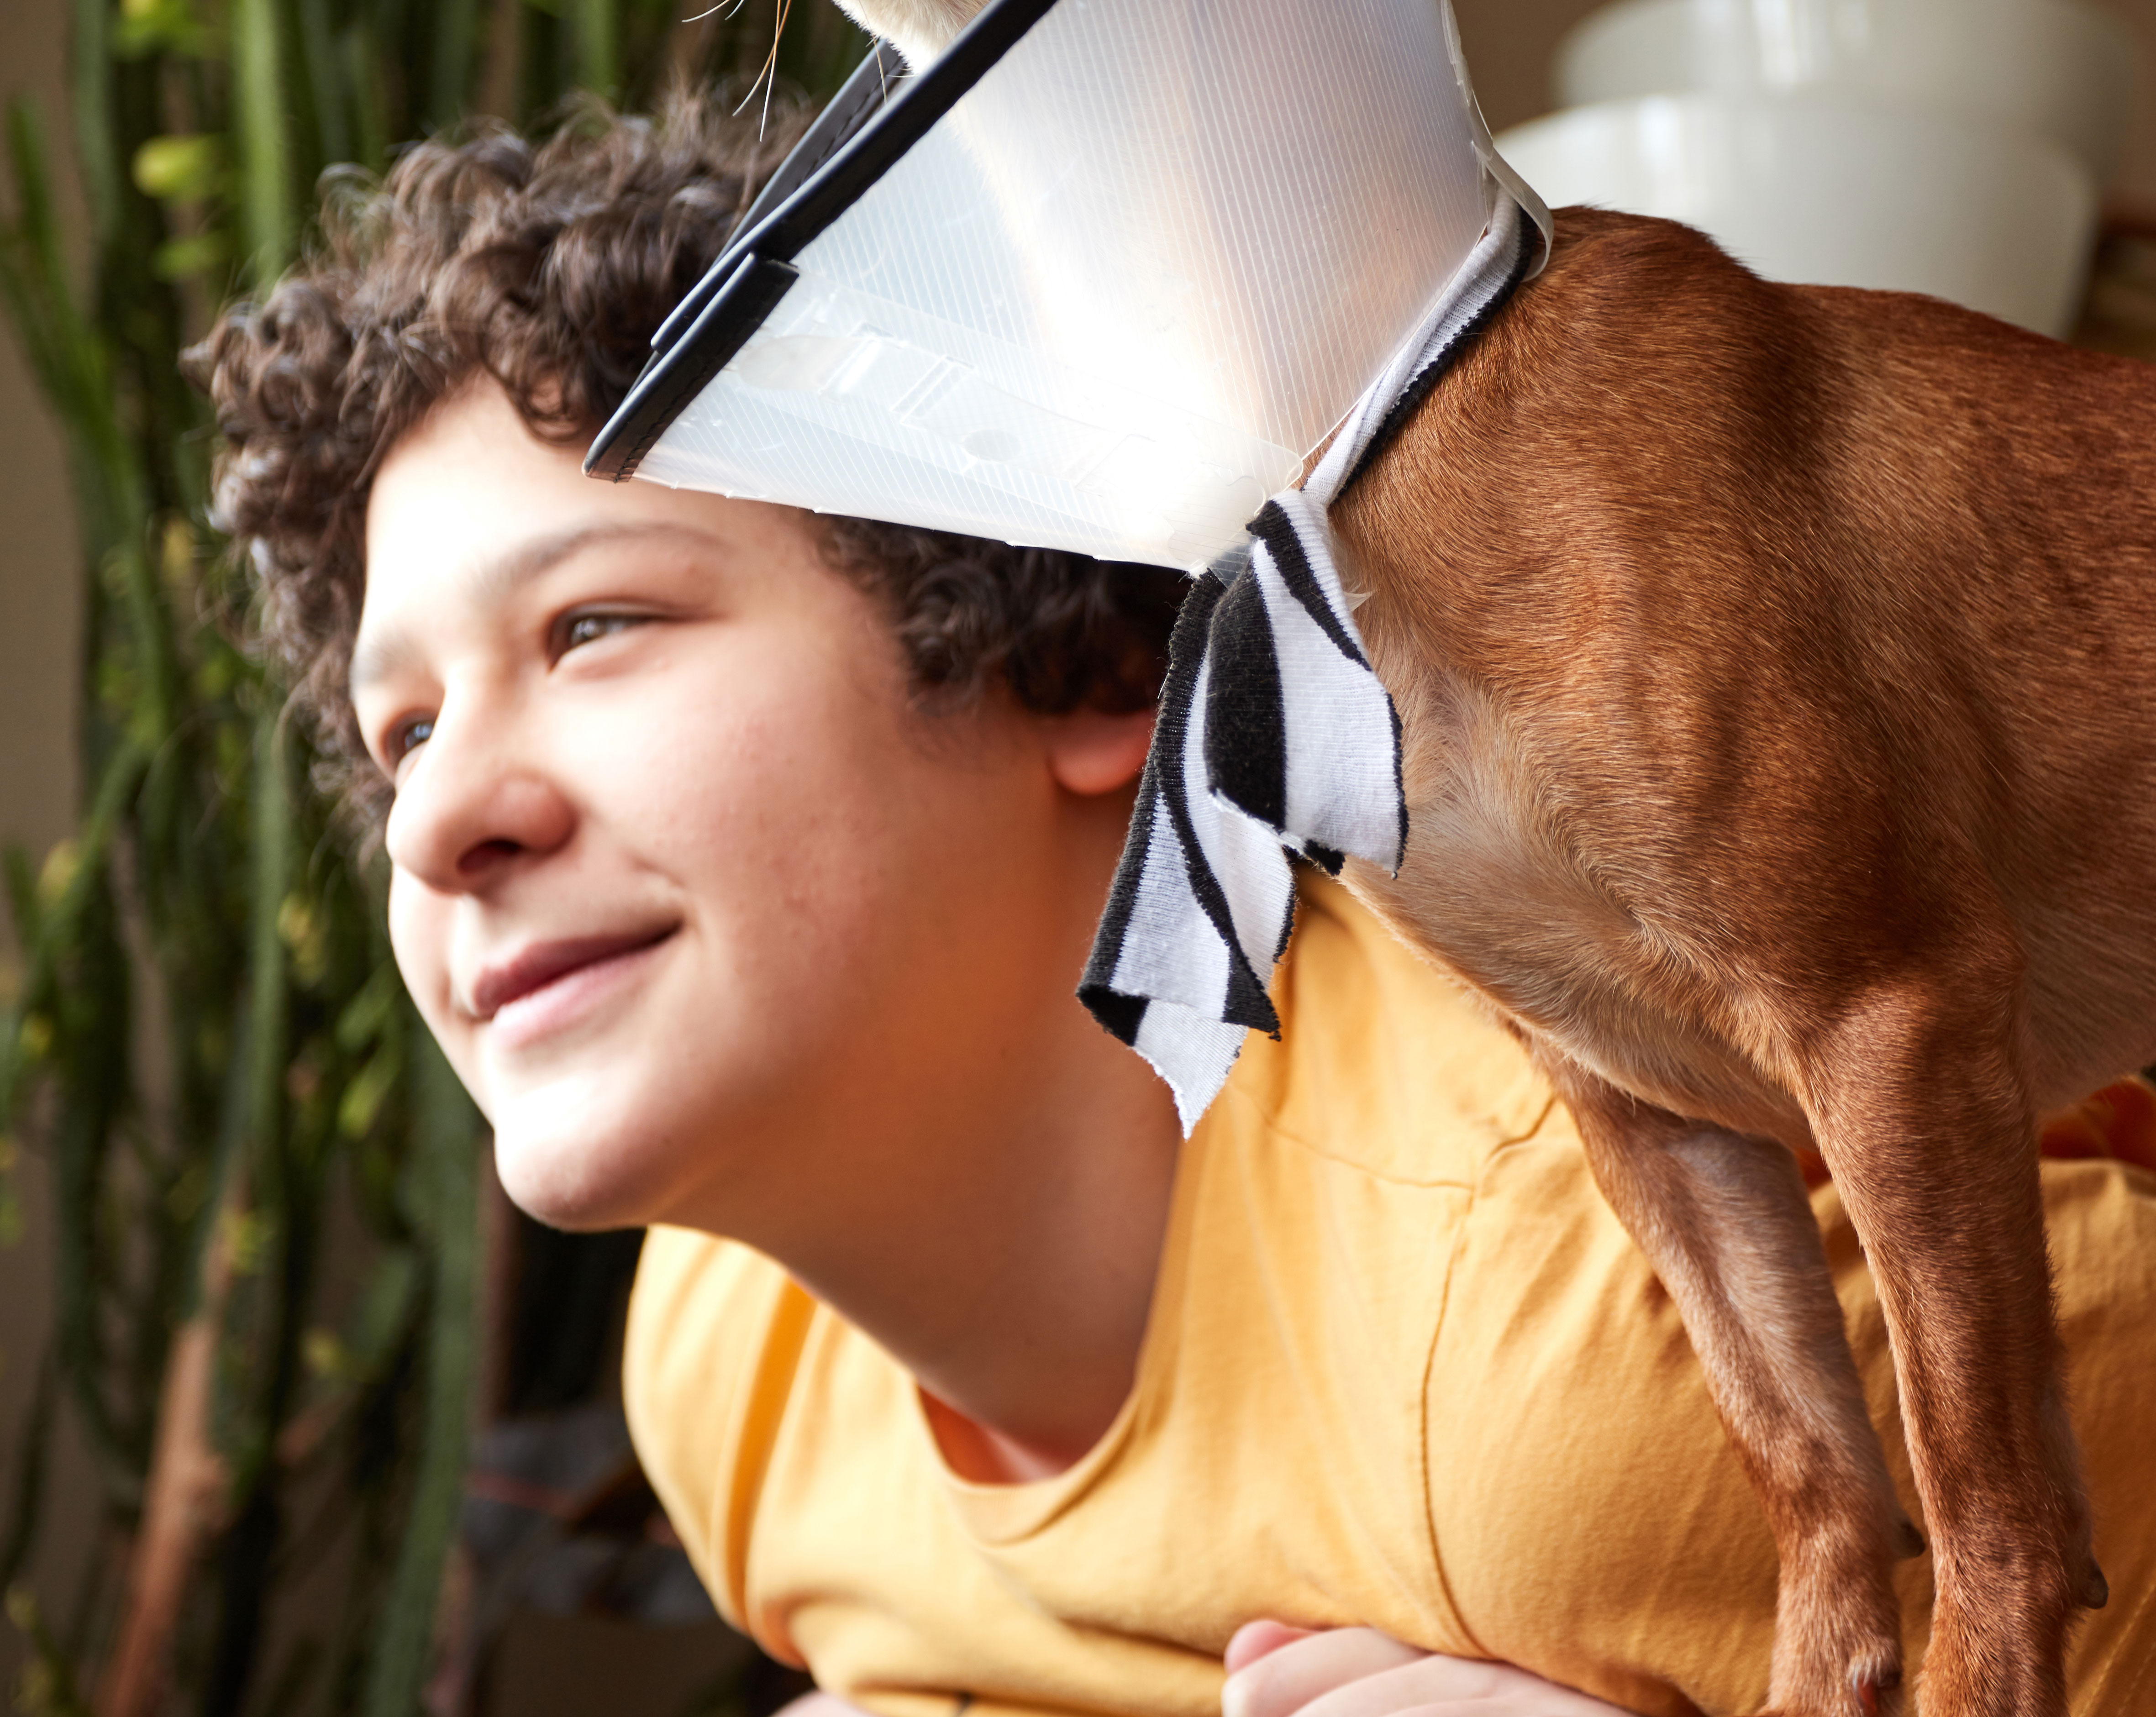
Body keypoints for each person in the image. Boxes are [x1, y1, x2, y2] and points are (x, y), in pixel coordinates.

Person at [198, 96, 2156, 1717]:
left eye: (597, 623)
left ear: (1093, 669)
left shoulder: (1579, 1364)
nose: (444, 811)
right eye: (400, 730)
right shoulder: (729, 1369)